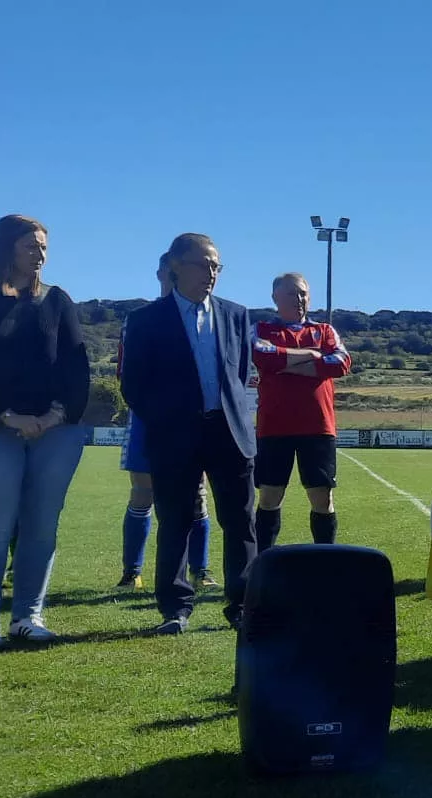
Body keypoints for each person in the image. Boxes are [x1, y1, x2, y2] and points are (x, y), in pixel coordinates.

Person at [0, 215, 91, 646]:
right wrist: (8, 416)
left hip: (56, 430)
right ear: (4, 248)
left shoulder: (58, 301)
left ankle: (27, 616)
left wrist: (51, 418)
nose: (40, 254)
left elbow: (75, 369)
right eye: (31, 245)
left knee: (42, 525)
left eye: (44, 246)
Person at [120, 233, 259, 635]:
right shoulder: (146, 320)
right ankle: (175, 608)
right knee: (176, 521)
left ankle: (242, 604)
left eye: (216, 266)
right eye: (203, 264)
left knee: (240, 522)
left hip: (228, 432)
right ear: (176, 266)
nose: (211, 273)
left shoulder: (235, 314)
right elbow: (134, 384)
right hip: (174, 435)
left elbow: (238, 373)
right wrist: (168, 420)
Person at [118, 254, 214, 590]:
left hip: (192, 423)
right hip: (149, 421)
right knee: (142, 492)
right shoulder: (141, 319)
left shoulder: (204, 318)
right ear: (164, 272)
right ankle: (132, 572)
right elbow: (127, 376)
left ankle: (201, 571)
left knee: (197, 494)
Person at [252, 272, 352, 550]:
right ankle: (263, 562)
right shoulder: (262, 329)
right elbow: (262, 355)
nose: (299, 299)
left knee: (322, 498)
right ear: (275, 298)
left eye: (303, 294)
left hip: (318, 426)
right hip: (274, 426)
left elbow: (341, 362)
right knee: (270, 496)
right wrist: (311, 355)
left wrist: (285, 365)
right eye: (291, 294)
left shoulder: (325, 330)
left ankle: (325, 560)